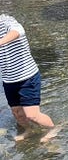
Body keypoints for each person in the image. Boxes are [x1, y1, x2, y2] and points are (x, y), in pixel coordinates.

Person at [0, 14, 59, 143]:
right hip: (9, 80)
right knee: (17, 113)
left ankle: (53, 129)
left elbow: (19, 31)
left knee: (32, 115)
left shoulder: (6, 21)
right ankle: (29, 130)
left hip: (27, 77)